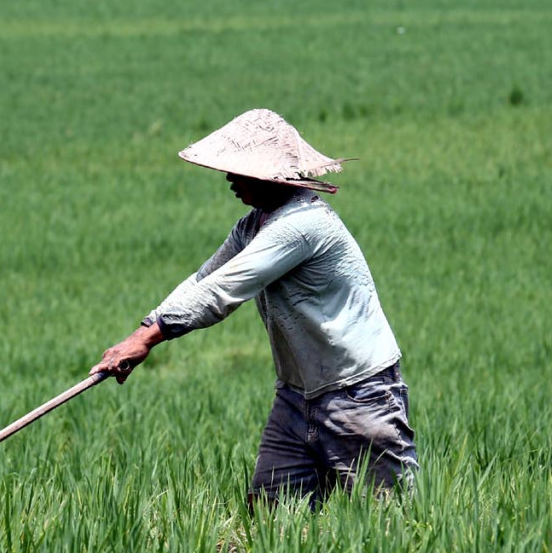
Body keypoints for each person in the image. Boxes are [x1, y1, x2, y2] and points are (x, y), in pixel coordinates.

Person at [92, 109, 417, 510]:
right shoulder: (252, 226)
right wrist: (142, 331)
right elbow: (203, 279)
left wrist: (147, 339)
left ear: (271, 176)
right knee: (270, 520)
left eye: (239, 171)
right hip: (297, 400)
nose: (229, 179)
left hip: (359, 395)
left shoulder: (302, 226)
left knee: (393, 529)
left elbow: (225, 290)